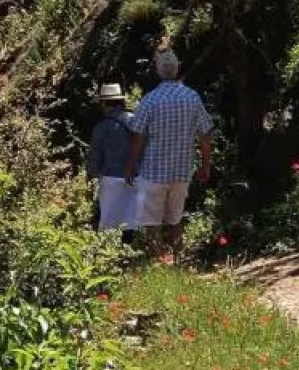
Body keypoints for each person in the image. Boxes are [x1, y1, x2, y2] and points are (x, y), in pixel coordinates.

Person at [126, 49, 214, 259]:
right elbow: (205, 135)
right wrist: (205, 165)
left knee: (152, 222)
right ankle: (180, 261)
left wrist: (129, 166)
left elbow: (137, 136)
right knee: (176, 219)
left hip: (153, 172)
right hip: (182, 171)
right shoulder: (192, 97)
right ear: (178, 69)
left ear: (158, 71)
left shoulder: (150, 100)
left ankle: (157, 263)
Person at [87, 83, 139, 237]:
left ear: (103, 103)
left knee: (110, 223)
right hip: (135, 177)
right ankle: (132, 254)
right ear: (121, 101)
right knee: (132, 221)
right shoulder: (135, 121)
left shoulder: (101, 127)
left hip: (110, 180)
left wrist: (91, 176)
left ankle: (111, 255)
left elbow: (95, 157)